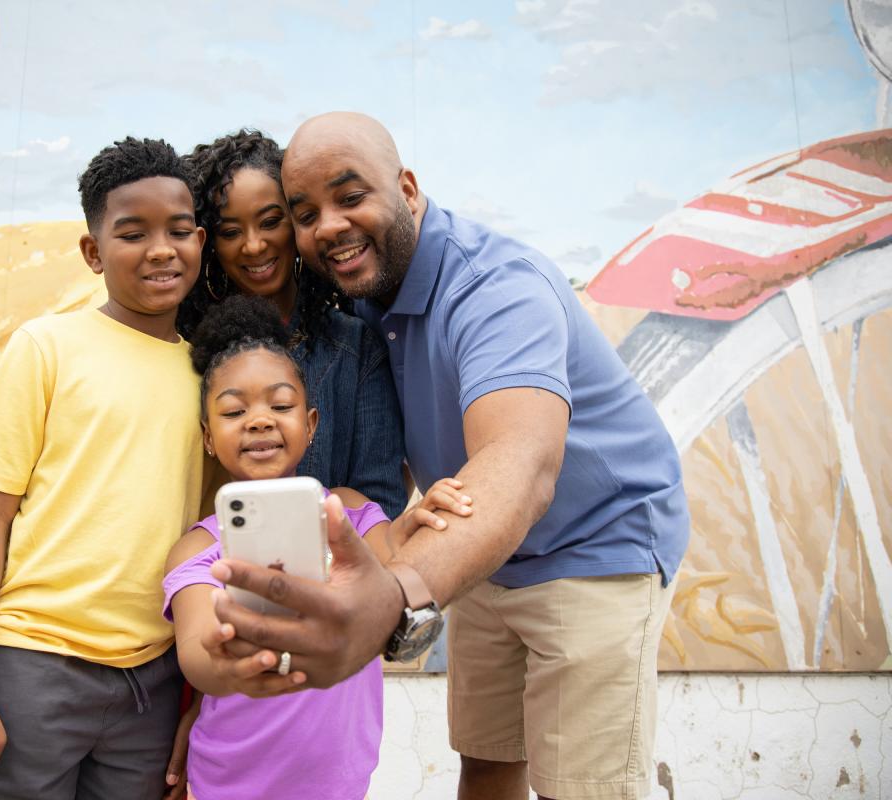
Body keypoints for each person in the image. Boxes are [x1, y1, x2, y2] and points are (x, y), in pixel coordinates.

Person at [205, 112, 691, 800]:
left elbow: (520, 465)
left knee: (581, 787)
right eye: (306, 213)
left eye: (350, 197)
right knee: (489, 761)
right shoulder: (368, 292)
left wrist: (394, 592)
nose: (329, 227)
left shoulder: (497, 289)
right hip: (482, 553)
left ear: (406, 188)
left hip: (595, 549)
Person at [0, 137, 208, 800]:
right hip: (36, 664)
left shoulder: (209, 373)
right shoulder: (47, 347)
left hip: (153, 678)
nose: (161, 249)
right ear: (93, 252)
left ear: (200, 240)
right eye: (132, 233)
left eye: (178, 231)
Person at [164, 294, 471, 800]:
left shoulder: (349, 513)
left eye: (280, 405)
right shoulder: (198, 549)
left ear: (310, 425)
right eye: (235, 410)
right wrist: (223, 661)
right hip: (227, 781)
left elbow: (394, 572)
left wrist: (417, 522)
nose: (259, 420)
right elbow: (197, 656)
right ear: (207, 437)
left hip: (341, 780)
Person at [176, 129, 407, 520]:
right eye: (230, 232)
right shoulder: (186, 350)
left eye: (270, 222)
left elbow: (379, 501)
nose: (254, 245)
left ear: (299, 221)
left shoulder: (355, 347)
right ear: (209, 242)